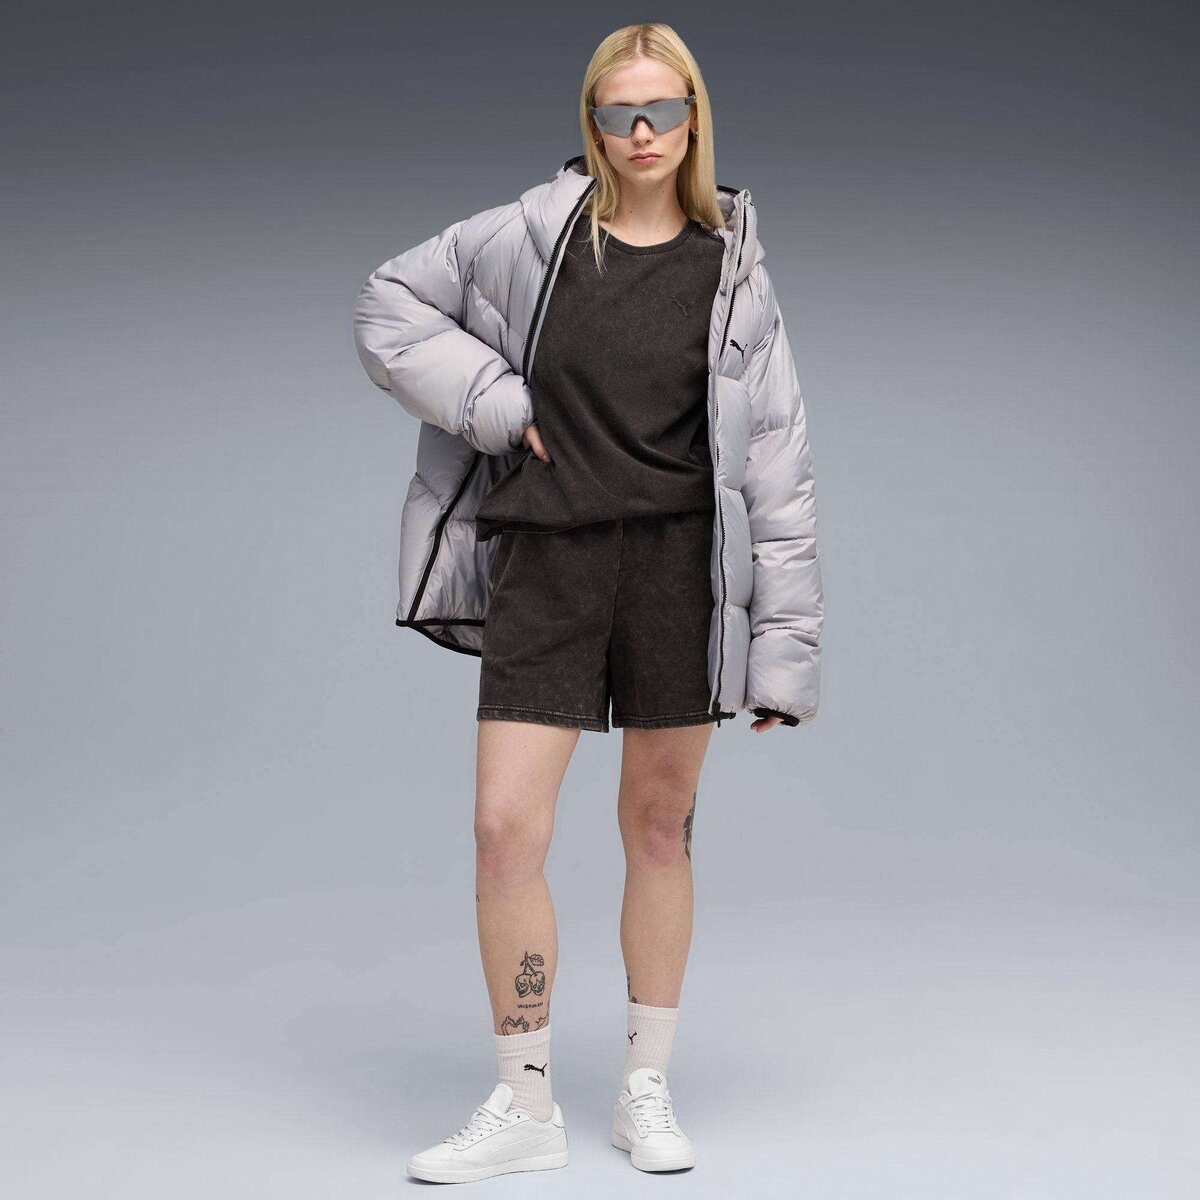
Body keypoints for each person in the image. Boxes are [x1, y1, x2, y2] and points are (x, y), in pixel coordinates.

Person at [352, 22, 823, 1184]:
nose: (643, 132)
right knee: (504, 830)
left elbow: (777, 461)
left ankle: (643, 1091)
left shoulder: (733, 272)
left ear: (696, 120)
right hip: (548, 561)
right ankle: (524, 1103)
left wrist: (783, 653)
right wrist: (495, 401)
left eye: (664, 110)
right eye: (620, 113)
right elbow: (387, 305)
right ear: (593, 124)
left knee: (660, 829)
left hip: (680, 574)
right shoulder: (527, 239)